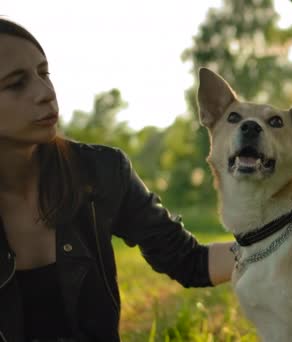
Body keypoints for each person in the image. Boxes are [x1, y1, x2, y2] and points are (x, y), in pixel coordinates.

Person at [0, 18, 235, 342]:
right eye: (15, 83)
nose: (45, 93)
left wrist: (284, 245)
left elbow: (191, 261)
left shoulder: (100, 172)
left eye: (44, 73)